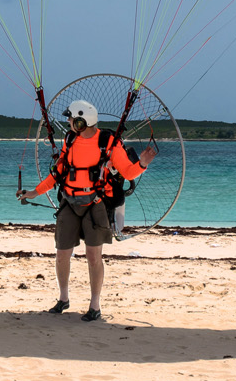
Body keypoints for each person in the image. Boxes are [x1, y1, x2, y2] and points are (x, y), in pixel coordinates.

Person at [17, 99, 157, 321]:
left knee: (93, 256)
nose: (69, 121)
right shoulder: (70, 139)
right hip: (69, 202)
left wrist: (142, 163)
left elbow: (128, 173)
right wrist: (34, 192)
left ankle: (95, 305)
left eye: (71, 118)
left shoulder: (108, 141)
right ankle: (63, 299)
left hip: (95, 204)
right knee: (62, 253)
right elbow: (58, 172)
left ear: (82, 121)